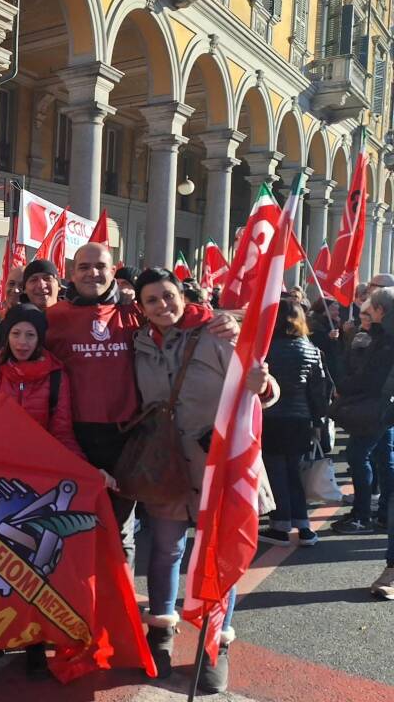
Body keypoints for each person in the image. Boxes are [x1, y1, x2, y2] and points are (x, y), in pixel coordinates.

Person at [44, 243, 237, 568]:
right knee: (72, 527)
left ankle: (122, 611)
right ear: (72, 274)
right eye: (84, 267)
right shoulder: (54, 318)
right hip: (74, 439)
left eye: (101, 266)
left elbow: (181, 317)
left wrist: (222, 319)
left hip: (129, 440)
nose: (93, 273)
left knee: (120, 532)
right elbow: (23, 352)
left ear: (113, 271)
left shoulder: (135, 312)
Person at [0, 302, 103, 678]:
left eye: (31, 334)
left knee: (35, 565)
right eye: (16, 333)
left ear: (41, 337)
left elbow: (62, 433)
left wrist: (87, 472)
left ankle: (34, 642)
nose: (23, 341)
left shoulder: (58, 377)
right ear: (6, 335)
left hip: (38, 483)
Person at [132, 267, 273, 693]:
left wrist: (263, 385)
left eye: (168, 296)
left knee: (220, 552)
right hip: (166, 465)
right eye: (152, 300)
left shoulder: (216, 334)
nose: (162, 305)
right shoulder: (136, 343)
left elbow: (262, 386)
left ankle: (216, 644)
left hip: (219, 464)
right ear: (140, 307)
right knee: (165, 550)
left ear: (183, 295)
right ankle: (161, 634)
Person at [259, 299, 330, 547]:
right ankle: (304, 526)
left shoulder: (266, 348)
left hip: (271, 416)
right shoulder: (310, 349)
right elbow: (319, 390)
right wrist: (319, 422)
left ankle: (279, 526)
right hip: (301, 419)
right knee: (295, 472)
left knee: (275, 472)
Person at [332, 287, 394, 535]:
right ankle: (382, 514)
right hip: (383, 406)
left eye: (369, 310)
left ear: (380, 310)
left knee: (358, 456)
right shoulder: (382, 335)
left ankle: (362, 515)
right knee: (383, 458)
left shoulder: (387, 338)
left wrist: (342, 386)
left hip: (377, 406)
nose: (364, 314)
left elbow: (370, 377)